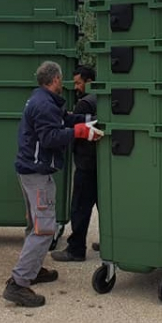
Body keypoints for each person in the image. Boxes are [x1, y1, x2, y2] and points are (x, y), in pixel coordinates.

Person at [3, 61, 103, 308]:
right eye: (63, 79)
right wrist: (81, 132)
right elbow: (50, 137)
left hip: (28, 171)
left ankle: (33, 270)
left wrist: (91, 120)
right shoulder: (43, 104)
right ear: (56, 79)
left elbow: (65, 119)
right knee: (44, 227)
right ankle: (18, 283)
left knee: (35, 224)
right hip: (37, 175)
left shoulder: (42, 100)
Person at [51, 65, 98, 262]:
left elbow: (75, 131)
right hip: (103, 164)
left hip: (86, 164)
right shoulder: (102, 98)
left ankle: (76, 249)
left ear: (89, 82)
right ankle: (111, 243)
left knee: (79, 207)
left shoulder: (85, 103)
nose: (76, 87)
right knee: (106, 206)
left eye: (79, 83)